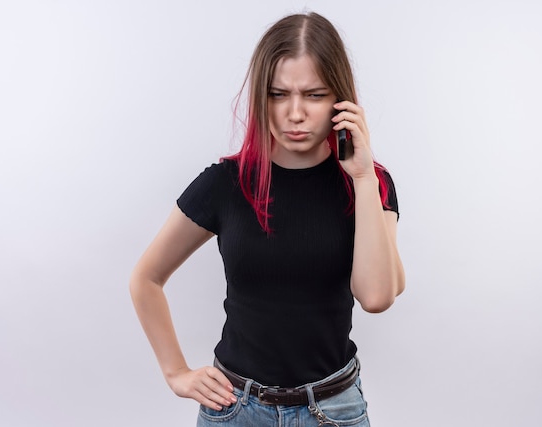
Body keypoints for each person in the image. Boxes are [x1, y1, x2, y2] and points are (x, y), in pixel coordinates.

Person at [130, 11, 405, 427]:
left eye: (314, 95)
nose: (295, 113)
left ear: (340, 100)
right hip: (235, 408)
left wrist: (364, 178)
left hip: (332, 410)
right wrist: (176, 373)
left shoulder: (370, 183)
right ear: (261, 96)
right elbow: (146, 278)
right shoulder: (225, 183)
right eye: (279, 94)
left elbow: (378, 296)